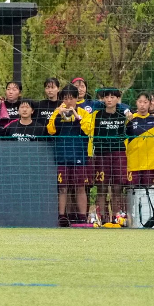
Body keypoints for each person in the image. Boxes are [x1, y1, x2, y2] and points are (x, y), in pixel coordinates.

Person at [47, 86, 94, 226]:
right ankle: (62, 216)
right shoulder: (57, 112)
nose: (68, 101)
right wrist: (57, 115)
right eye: (65, 98)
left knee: (80, 186)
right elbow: (50, 130)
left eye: (71, 98)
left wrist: (76, 115)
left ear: (76, 98)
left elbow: (88, 129)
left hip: (79, 153)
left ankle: (82, 216)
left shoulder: (84, 113)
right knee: (63, 187)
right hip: (62, 153)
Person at [90, 88, 130, 225]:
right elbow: (91, 104)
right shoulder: (97, 114)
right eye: (106, 97)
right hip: (101, 153)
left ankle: (117, 216)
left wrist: (124, 109)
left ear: (118, 99)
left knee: (117, 186)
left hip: (118, 152)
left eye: (112, 97)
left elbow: (133, 115)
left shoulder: (124, 113)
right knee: (101, 187)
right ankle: (102, 216)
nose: (109, 100)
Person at [125, 93, 154, 227]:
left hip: (150, 162)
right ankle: (133, 220)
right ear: (136, 103)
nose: (142, 105)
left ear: (150, 104)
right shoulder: (130, 119)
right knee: (133, 190)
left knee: (149, 191)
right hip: (134, 162)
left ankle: (149, 218)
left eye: (145, 102)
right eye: (140, 102)